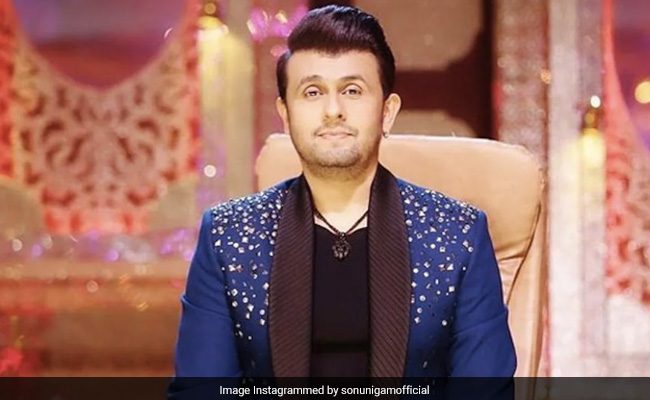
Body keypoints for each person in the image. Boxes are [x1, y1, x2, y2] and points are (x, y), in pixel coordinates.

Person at [169, 4, 515, 397]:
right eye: (312, 92)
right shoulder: (228, 236)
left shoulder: (458, 235)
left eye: (352, 91)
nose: (333, 111)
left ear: (387, 112)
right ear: (286, 114)